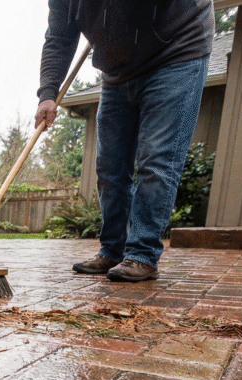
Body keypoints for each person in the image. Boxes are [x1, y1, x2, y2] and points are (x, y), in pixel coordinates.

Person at [36, 1, 214, 282]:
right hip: (117, 70)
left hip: (175, 52)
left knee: (157, 159)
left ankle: (142, 254)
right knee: (110, 167)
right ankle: (112, 250)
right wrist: (47, 93)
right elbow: (59, 37)